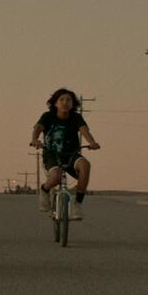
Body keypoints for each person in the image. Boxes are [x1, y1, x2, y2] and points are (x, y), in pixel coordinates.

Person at [30, 88, 100, 220]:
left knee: (85, 165)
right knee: (55, 177)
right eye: (61, 99)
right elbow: (38, 128)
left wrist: (92, 142)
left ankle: (77, 204)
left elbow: (84, 130)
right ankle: (45, 190)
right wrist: (35, 140)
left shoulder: (76, 117)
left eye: (69, 100)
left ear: (73, 104)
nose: (65, 102)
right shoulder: (48, 116)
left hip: (71, 153)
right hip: (51, 154)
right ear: (55, 103)